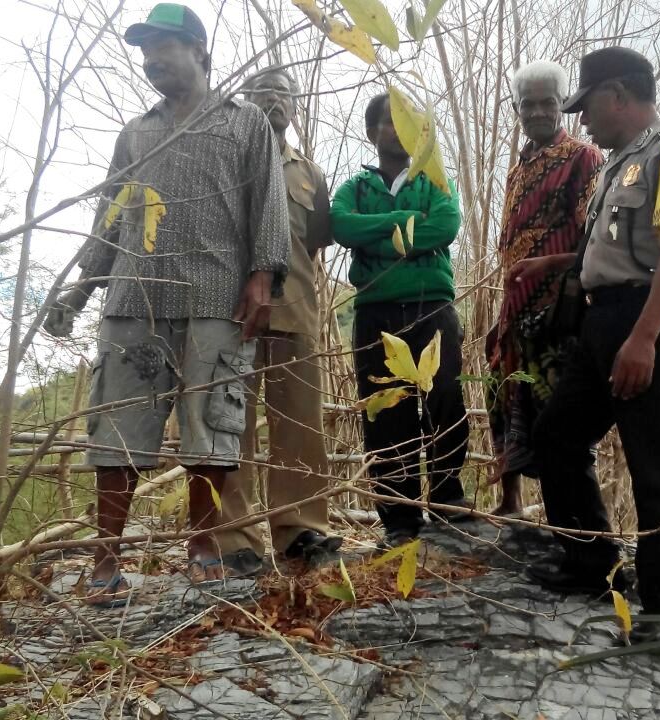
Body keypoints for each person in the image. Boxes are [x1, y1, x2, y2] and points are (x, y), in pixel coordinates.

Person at [43, 3, 289, 606]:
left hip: (216, 297)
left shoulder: (246, 123)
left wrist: (262, 278)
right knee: (117, 426)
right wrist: (79, 289)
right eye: (145, 51)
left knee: (211, 427)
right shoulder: (137, 132)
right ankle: (106, 559)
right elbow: (110, 218)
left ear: (200, 52)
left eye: (164, 48)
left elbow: (270, 205)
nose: (152, 61)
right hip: (135, 298)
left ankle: (202, 546)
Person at [523, 47, 660, 645]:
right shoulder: (614, 165)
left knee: (655, 462)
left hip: (651, 318)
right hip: (602, 322)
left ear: (619, 96)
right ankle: (591, 565)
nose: (582, 122)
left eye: (588, 107)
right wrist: (550, 263)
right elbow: (604, 251)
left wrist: (645, 339)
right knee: (556, 435)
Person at [209, 69, 343, 569]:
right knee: (229, 424)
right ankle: (234, 538)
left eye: (284, 94)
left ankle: (301, 530)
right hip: (231, 311)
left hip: (296, 311)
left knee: (300, 424)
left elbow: (315, 242)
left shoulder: (310, 173)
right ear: (245, 102)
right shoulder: (226, 161)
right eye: (263, 93)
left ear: (296, 106)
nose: (274, 102)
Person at [331, 93, 474, 547]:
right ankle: (398, 516)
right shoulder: (355, 187)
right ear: (372, 133)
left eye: (409, 123)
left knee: (445, 397)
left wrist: (378, 234)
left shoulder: (434, 180)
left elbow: (445, 227)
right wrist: (407, 223)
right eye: (390, 123)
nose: (401, 131)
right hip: (375, 310)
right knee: (384, 408)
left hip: (431, 304)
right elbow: (341, 226)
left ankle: (449, 499)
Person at [485, 60, 602, 518]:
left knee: (556, 413)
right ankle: (509, 500)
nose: (537, 112)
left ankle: (568, 521)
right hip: (514, 306)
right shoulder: (519, 166)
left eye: (547, 103)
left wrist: (547, 267)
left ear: (562, 106)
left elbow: (590, 243)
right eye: (527, 104)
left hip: (558, 309)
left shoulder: (583, 158)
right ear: (517, 109)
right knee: (504, 393)